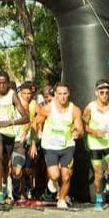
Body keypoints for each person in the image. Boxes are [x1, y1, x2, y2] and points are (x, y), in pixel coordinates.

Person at [34, 81, 84, 209]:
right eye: (60, 94)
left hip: (67, 146)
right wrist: (38, 131)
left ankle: (61, 199)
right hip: (50, 146)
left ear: (69, 94)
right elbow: (36, 122)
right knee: (55, 175)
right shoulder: (48, 108)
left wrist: (77, 133)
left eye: (65, 94)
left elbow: (81, 129)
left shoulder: (75, 110)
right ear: (55, 94)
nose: (62, 96)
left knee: (66, 175)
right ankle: (52, 181)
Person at [0, 70, 29, 204]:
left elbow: (26, 117)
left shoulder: (13, 95)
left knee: (5, 163)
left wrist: (9, 122)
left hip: (9, 131)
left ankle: (3, 185)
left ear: (8, 83)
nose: (2, 86)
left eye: (4, 83)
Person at [82, 78, 109, 210]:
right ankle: (99, 198)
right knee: (98, 175)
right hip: (95, 144)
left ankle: (107, 176)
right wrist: (94, 131)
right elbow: (82, 125)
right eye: (101, 92)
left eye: (107, 92)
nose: (104, 95)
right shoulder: (90, 108)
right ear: (96, 93)